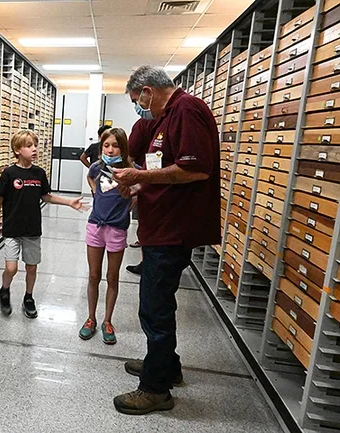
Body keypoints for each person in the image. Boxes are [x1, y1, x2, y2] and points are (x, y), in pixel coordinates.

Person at [111, 65, 221, 415]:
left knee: (154, 307)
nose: (139, 108)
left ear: (147, 91)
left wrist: (140, 175)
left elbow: (196, 169)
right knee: (158, 303)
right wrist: (141, 184)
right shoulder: (166, 117)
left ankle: (156, 389)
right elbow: (164, 168)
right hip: (161, 227)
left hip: (174, 229)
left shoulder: (187, 110)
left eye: (136, 100)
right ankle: (166, 367)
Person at [0, 130, 87, 319]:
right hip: (12, 228)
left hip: (32, 229)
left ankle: (28, 297)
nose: (34, 149)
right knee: (11, 268)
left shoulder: (39, 173)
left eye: (35, 145)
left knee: (32, 267)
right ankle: (4, 289)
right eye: (29, 146)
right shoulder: (9, 173)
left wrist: (69, 202)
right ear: (17, 150)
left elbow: (46, 196)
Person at [79, 128, 135, 345]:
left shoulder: (131, 170)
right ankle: (90, 318)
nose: (111, 149)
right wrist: (95, 193)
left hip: (117, 229)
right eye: (106, 145)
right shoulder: (96, 168)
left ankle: (107, 321)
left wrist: (128, 204)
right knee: (94, 276)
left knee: (112, 277)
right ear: (101, 147)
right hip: (96, 226)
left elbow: (140, 190)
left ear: (123, 147)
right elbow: (90, 177)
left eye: (115, 145)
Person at [125, 118, 156, 275]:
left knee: (145, 223)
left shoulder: (142, 124)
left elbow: (130, 155)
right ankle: (149, 263)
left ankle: (146, 264)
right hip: (157, 181)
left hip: (144, 178)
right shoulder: (165, 120)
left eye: (135, 100)